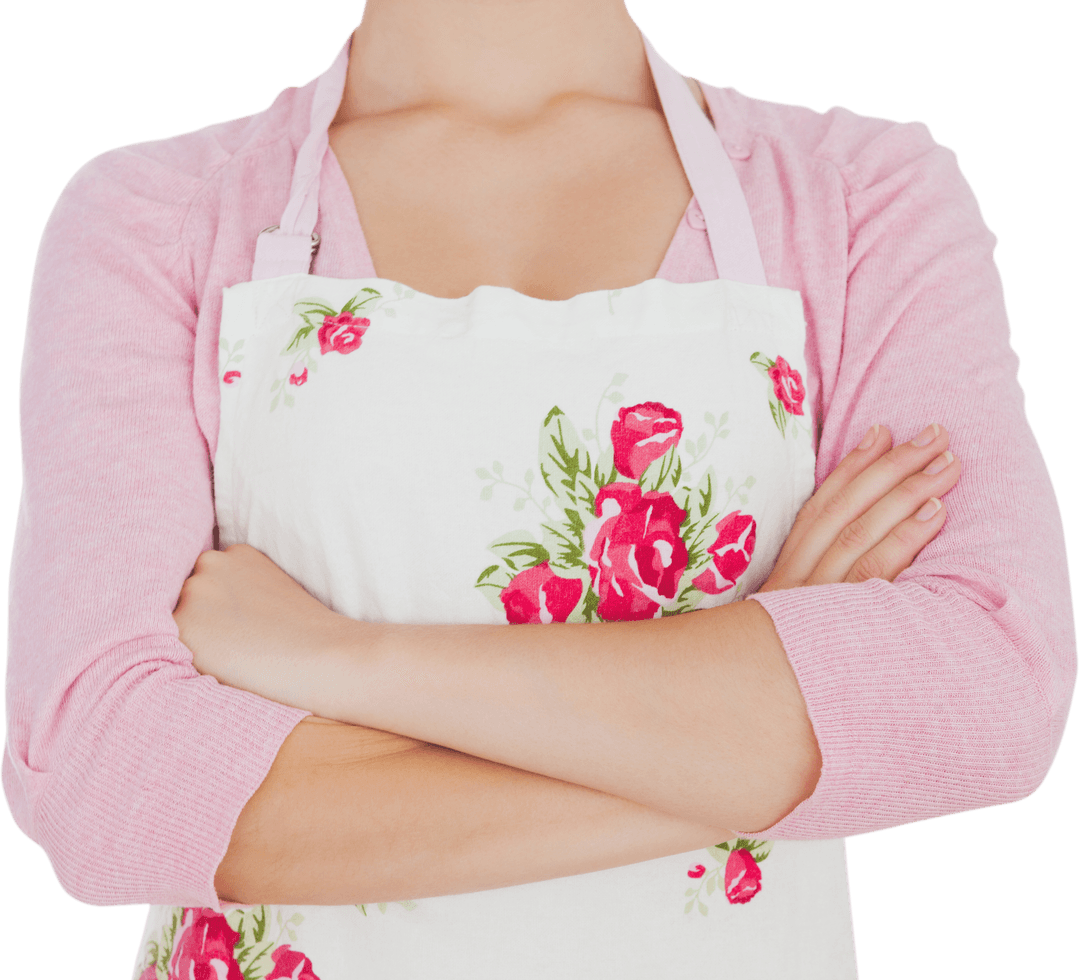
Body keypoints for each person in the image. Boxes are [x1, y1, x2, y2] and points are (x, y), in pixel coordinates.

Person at [2, 1, 1075, 978]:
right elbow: (105, 778)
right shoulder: (154, 217)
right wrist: (753, 712)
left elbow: (992, 686)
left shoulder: (860, 197)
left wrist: (336, 658)